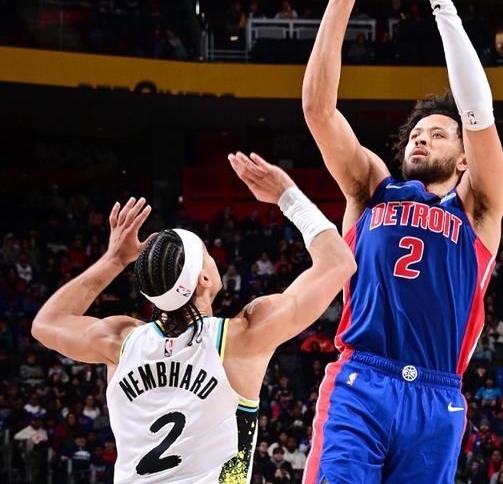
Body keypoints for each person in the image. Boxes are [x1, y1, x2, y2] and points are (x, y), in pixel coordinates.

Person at [300, 0, 503, 484]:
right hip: (362, 381)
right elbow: (318, 112)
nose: (422, 136)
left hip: (439, 397)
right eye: (417, 133)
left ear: (464, 156)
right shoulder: (372, 187)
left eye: (438, 133)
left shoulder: (479, 207)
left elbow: (479, 112)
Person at [31, 153, 356, 483]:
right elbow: (338, 263)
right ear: (203, 279)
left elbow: (47, 323)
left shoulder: (120, 340)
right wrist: (287, 195)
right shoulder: (239, 339)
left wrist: (114, 259)